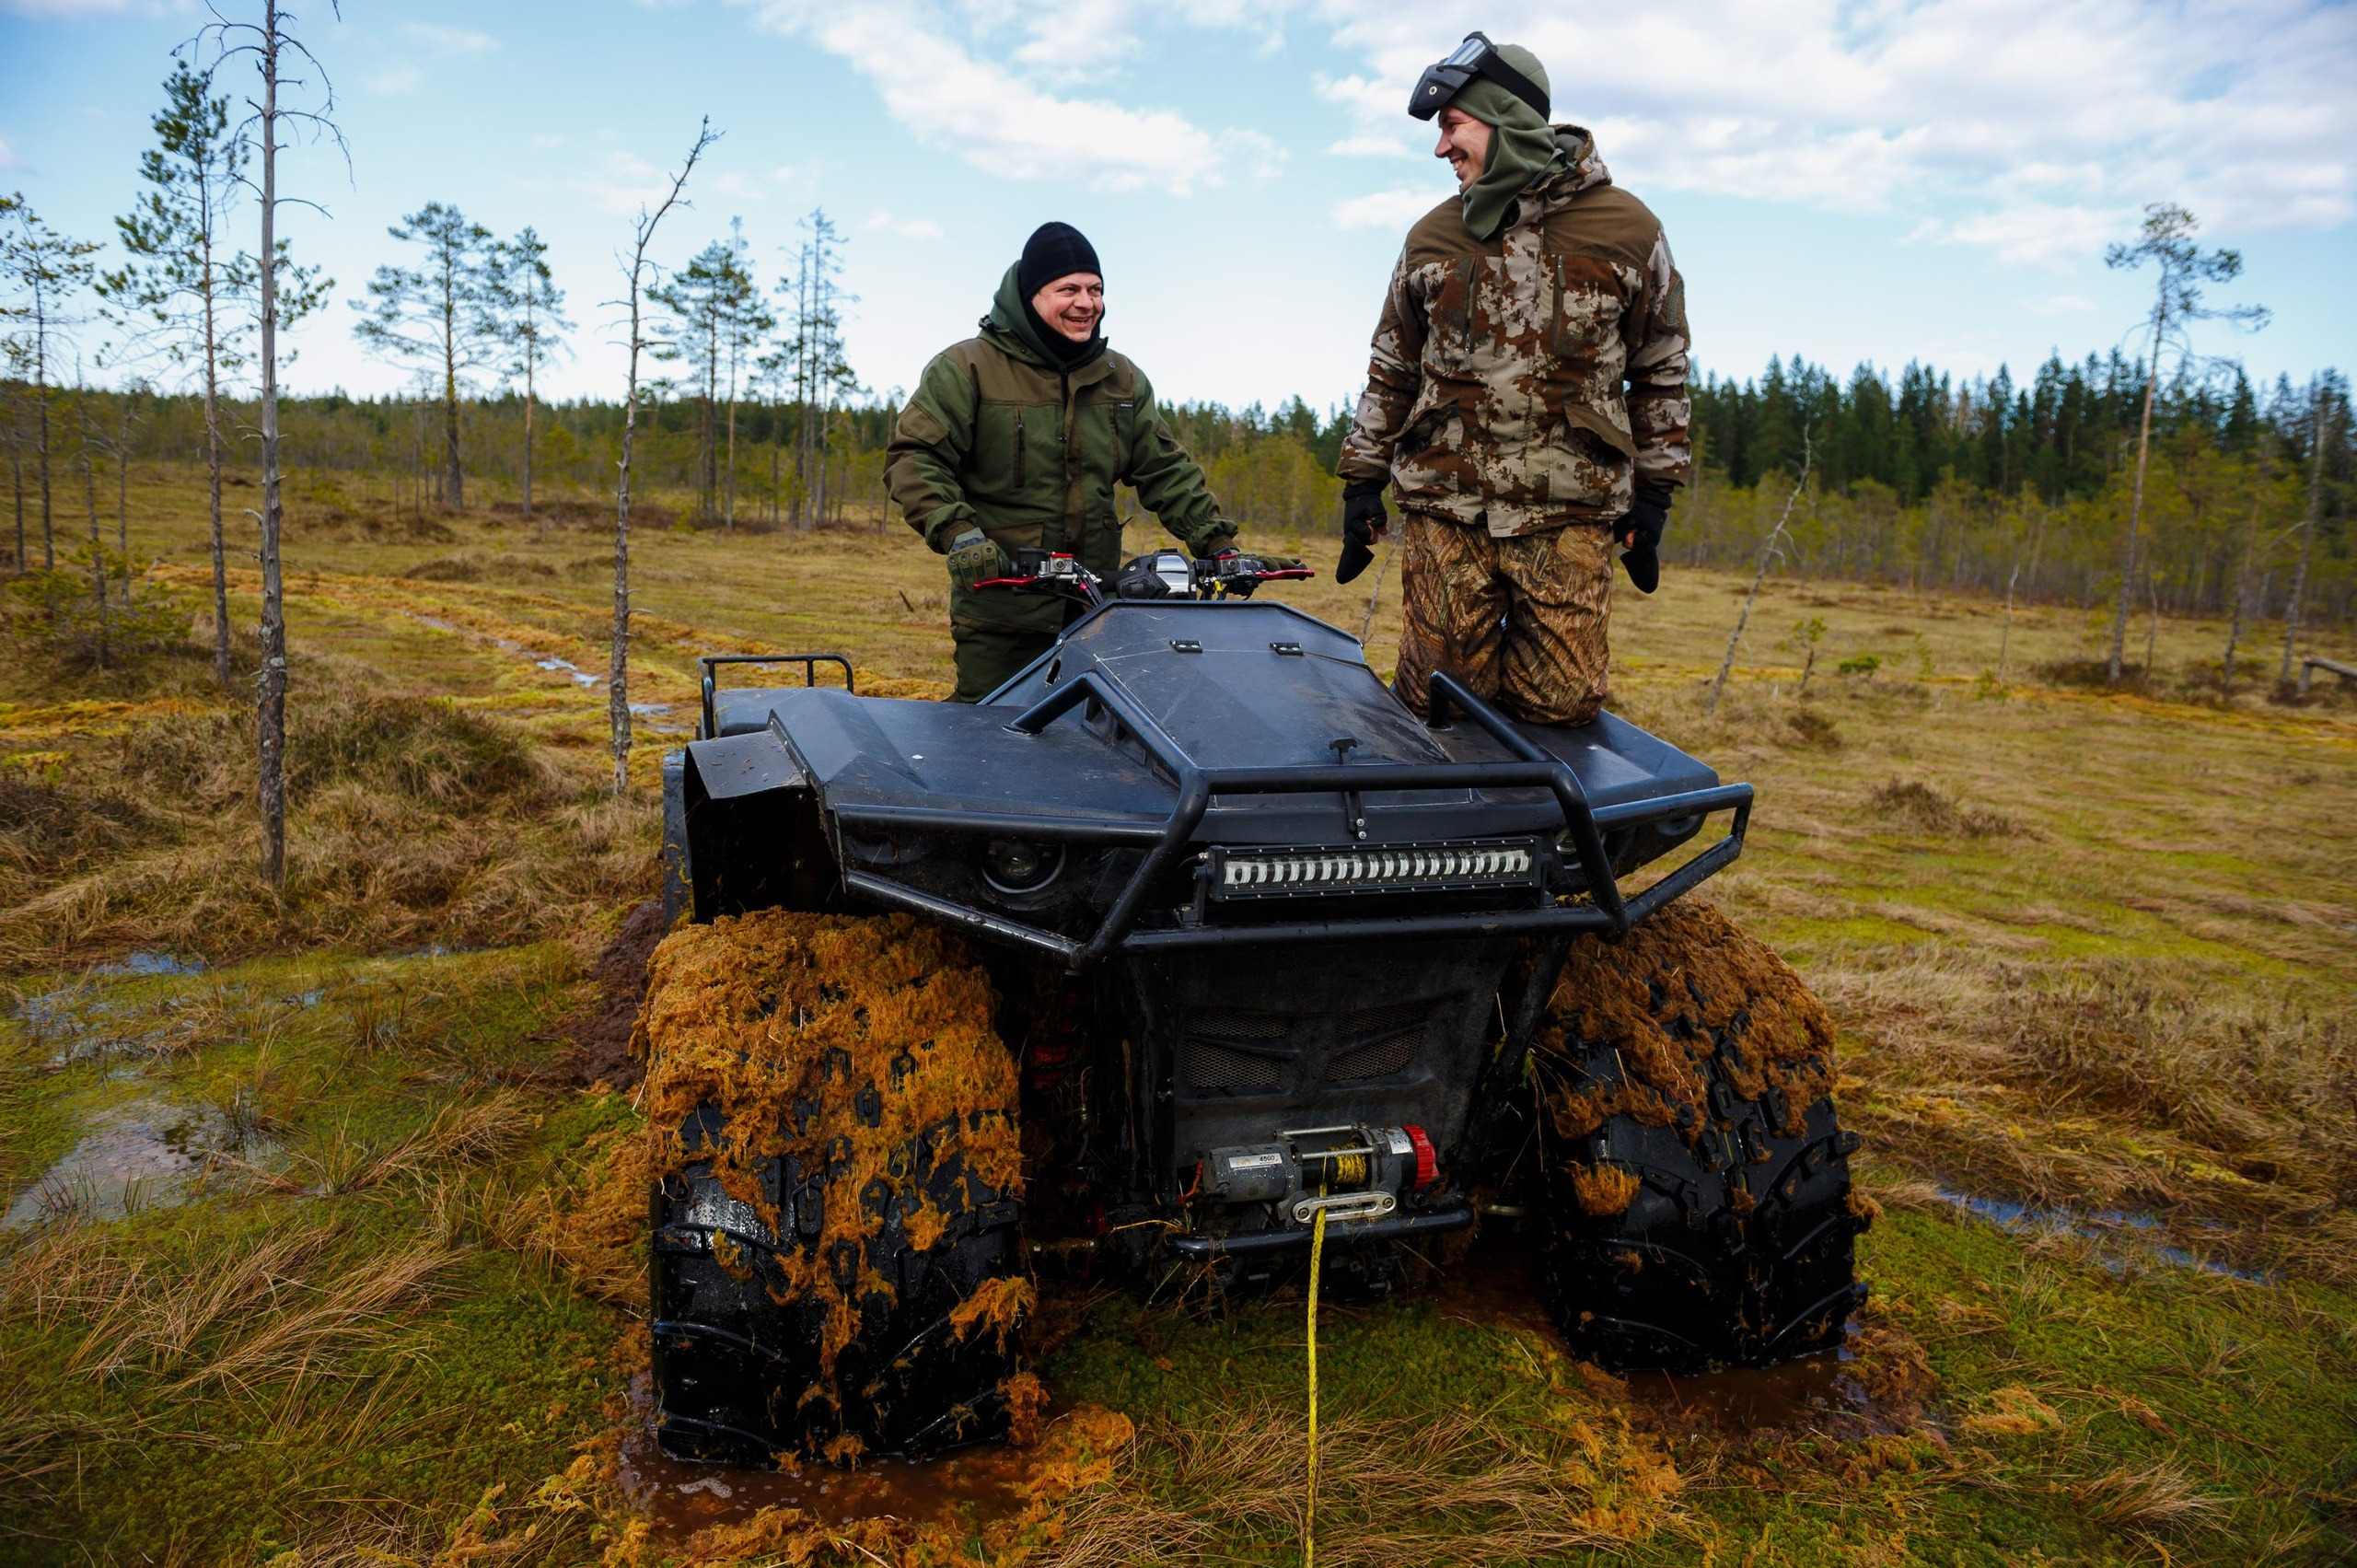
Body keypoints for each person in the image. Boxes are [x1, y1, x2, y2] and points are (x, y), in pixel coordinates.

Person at [1333, 33, 1691, 728]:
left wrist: (1654, 495)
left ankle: (1540, 841)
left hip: (1569, 518)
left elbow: (1662, 366)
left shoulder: (1628, 229)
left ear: (1503, 118)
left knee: (1562, 713)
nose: (1441, 149)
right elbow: (1393, 367)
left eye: (1452, 126)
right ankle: (1438, 840)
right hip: (1447, 515)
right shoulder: (1431, 237)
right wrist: (1360, 482)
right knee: (1439, 709)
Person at [886, 222, 1298, 703]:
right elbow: (915, 457)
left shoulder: (1120, 378)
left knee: (1104, 740)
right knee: (989, 738)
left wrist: (1220, 544)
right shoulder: (967, 369)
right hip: (1003, 607)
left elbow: (1166, 470)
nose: (1087, 303)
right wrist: (959, 534)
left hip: (1100, 609)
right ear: (1030, 295)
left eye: (1095, 289)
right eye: (1069, 289)